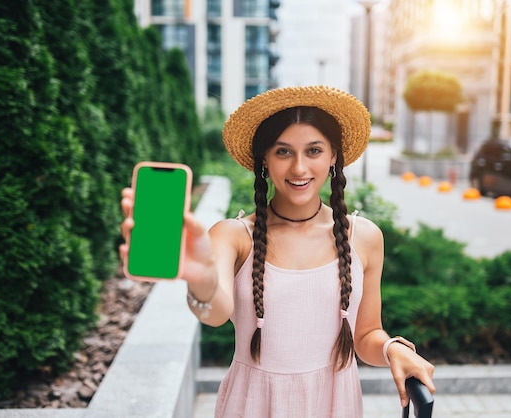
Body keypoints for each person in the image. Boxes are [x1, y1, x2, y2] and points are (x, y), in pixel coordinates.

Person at [120, 85, 435, 417]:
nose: (299, 168)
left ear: (333, 157)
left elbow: (366, 335)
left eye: (313, 151)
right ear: (265, 161)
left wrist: (392, 348)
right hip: (252, 404)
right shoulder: (232, 236)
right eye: (283, 152)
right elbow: (214, 313)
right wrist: (199, 277)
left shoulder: (364, 237)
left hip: (334, 404)